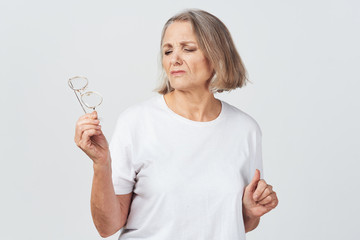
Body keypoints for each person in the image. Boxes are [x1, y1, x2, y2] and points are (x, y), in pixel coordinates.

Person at [74, 9, 278, 239]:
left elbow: (236, 222)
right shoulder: (137, 123)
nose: (174, 59)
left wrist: (250, 212)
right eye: (168, 51)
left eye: (188, 49)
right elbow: (107, 227)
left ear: (217, 56)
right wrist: (101, 164)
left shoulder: (245, 130)